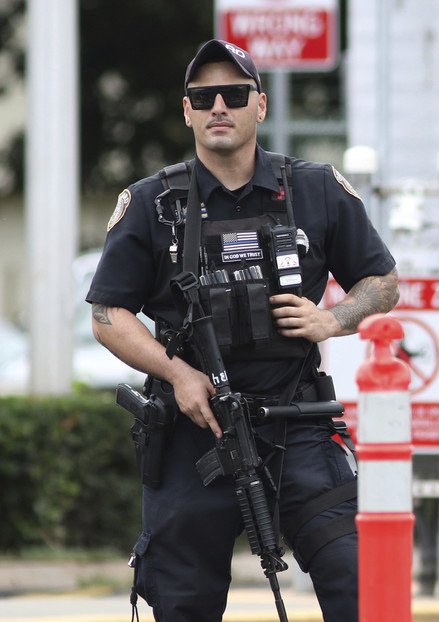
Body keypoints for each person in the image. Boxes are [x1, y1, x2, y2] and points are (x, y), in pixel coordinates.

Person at [86, 39, 399, 621]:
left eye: (234, 94)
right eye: (203, 97)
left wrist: (332, 319)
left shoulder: (316, 188)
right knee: (183, 603)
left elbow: (381, 280)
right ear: (187, 111)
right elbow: (108, 314)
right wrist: (177, 373)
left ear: (260, 105)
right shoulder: (151, 204)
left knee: (360, 582)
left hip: (298, 424)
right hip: (193, 430)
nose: (218, 107)